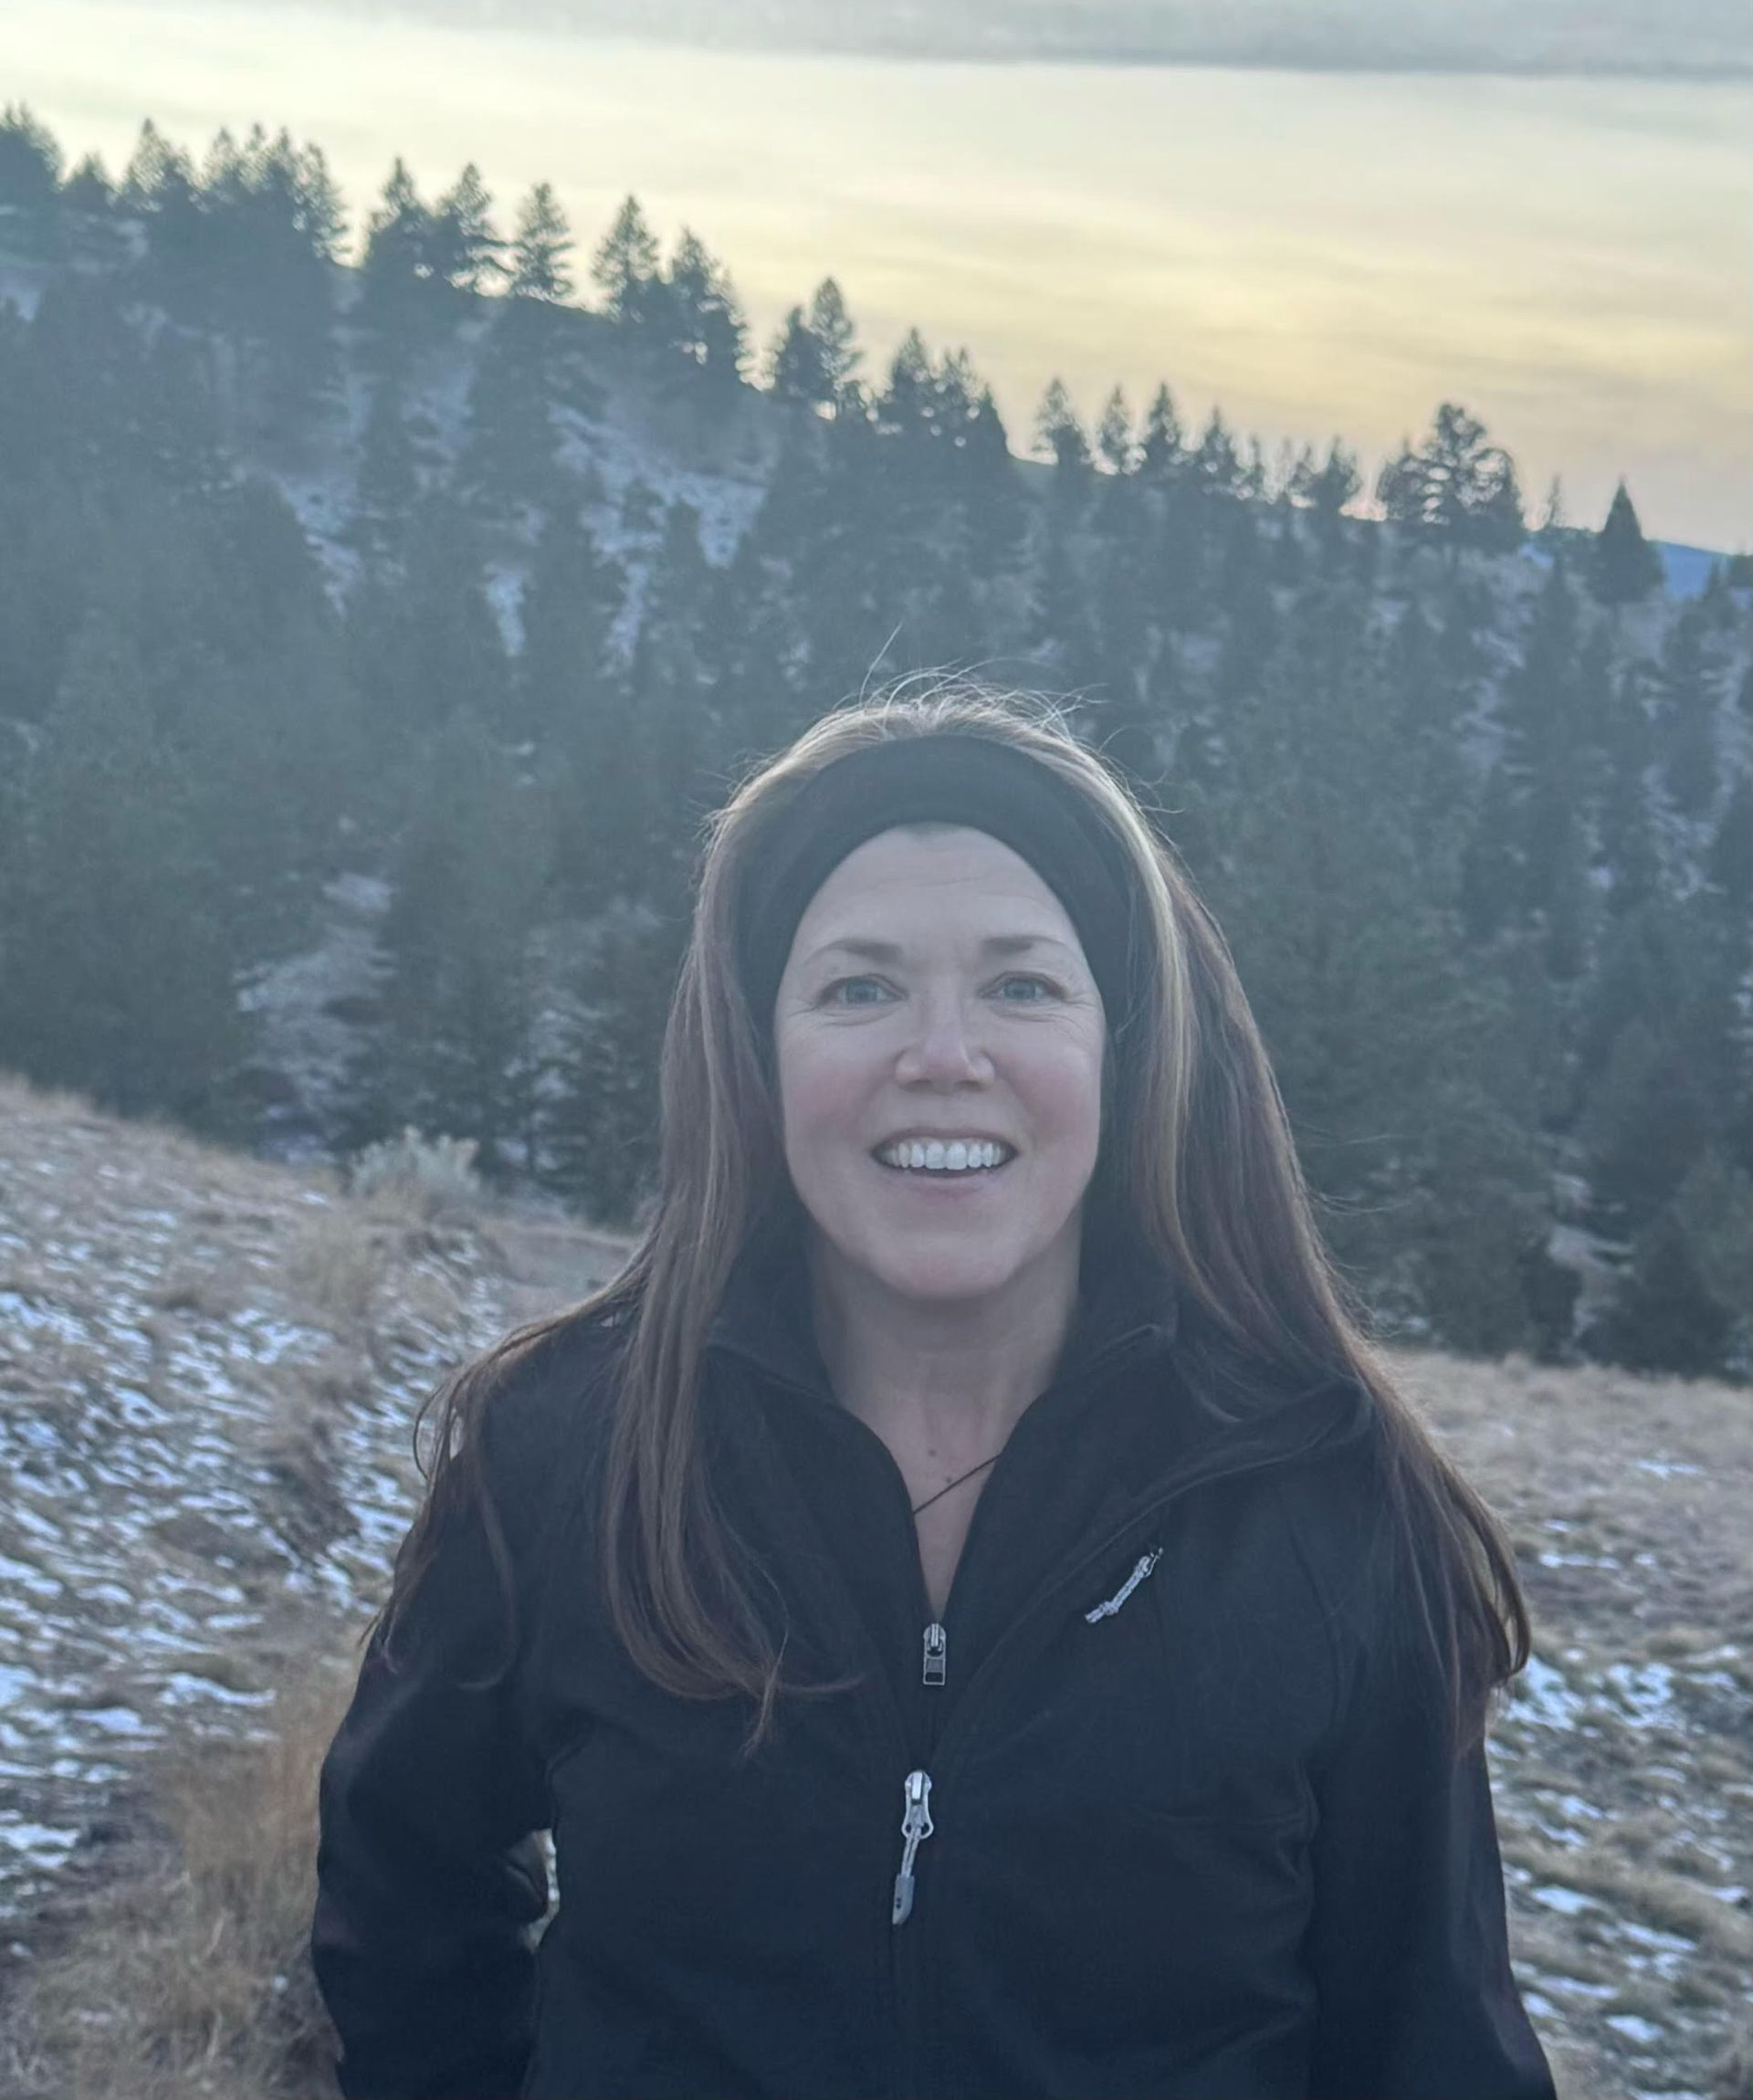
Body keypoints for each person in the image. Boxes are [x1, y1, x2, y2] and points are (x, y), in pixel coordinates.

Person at [312, 679, 1557, 2100]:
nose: (945, 1057)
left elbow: (1435, 2048)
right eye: (859, 987)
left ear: (1123, 1048)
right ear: (759, 1056)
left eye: (1023, 984)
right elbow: (403, 1885)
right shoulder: (570, 1458)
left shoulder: (1326, 1506)